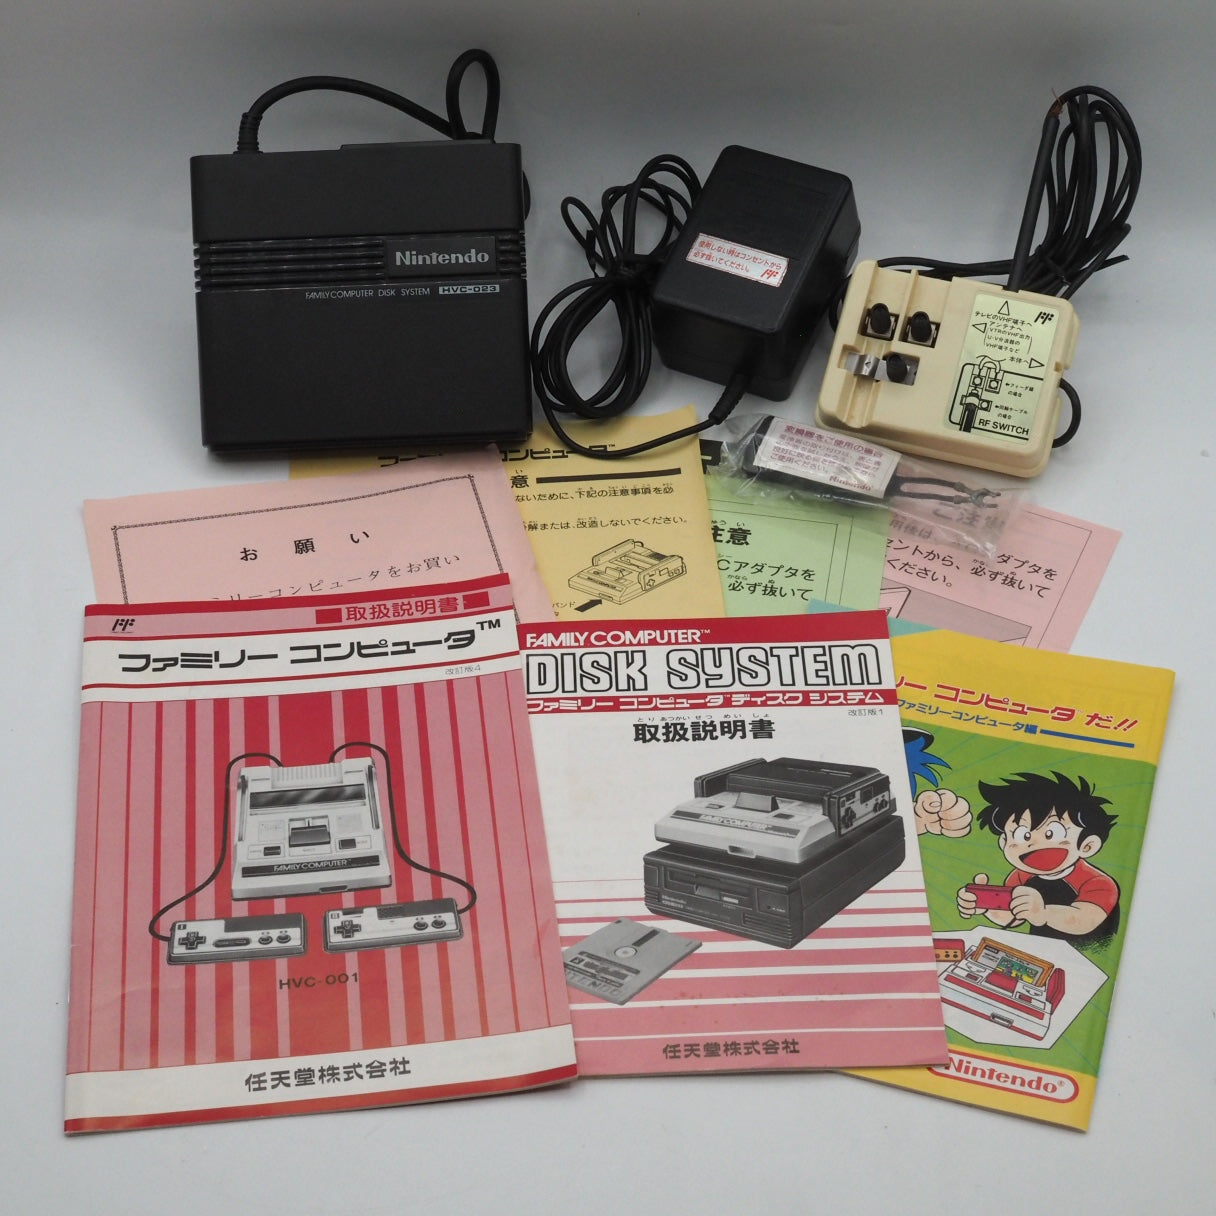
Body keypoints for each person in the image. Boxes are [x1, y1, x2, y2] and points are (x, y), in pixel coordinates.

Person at [957, 771, 1119, 944]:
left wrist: (1042, 913)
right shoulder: (1021, 876)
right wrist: (985, 906)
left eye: (1051, 833)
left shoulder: (1098, 882)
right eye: (1022, 835)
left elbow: (1083, 920)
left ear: (1087, 845)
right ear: (1004, 842)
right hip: (1040, 951)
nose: (1033, 844)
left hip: (1086, 952)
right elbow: (1013, 916)